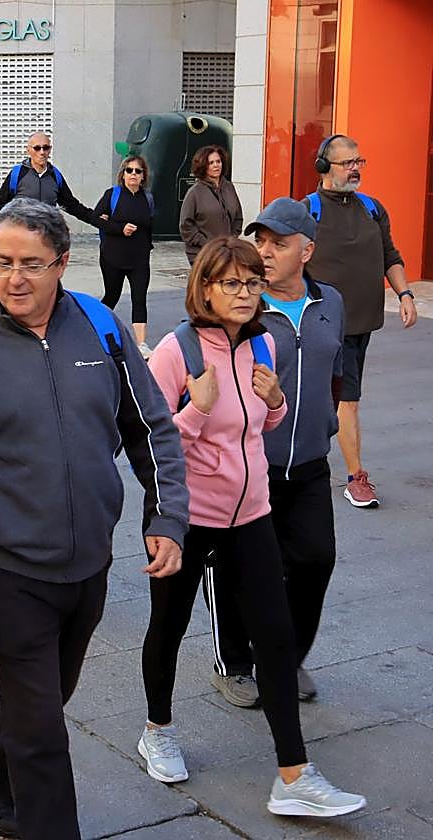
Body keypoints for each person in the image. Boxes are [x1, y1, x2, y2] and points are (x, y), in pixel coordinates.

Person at [0, 198, 189, 839]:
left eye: (31, 265)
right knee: (43, 731)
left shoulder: (102, 328)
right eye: (2, 262)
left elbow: (152, 429)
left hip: (89, 563)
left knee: (43, 697)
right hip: (3, 568)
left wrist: (167, 515)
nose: (14, 278)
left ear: (63, 264)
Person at [140, 236, 364, 819]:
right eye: (232, 283)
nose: (245, 293)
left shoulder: (263, 343)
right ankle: (157, 729)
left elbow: (261, 422)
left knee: (277, 638)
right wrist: (194, 408)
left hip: (251, 512)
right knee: (169, 625)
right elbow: (148, 442)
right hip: (187, 517)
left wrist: (275, 400)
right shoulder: (176, 349)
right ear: (205, 287)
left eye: (253, 283)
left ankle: (293, 775)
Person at [203, 199, 344, 710]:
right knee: (235, 568)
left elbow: (336, 372)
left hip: (308, 464)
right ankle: (234, 664)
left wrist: (331, 426)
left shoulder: (331, 302)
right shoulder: (242, 307)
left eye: (277, 244)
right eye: (259, 240)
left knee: (314, 559)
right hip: (247, 465)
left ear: (306, 251)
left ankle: (285, 656)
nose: (263, 252)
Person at [302, 134, 417, 508]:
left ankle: (300, 455)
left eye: (358, 161)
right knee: (347, 399)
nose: (355, 168)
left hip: (362, 324)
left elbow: (390, 255)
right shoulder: (309, 210)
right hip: (323, 324)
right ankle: (355, 477)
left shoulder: (372, 208)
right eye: (346, 162)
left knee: (329, 397)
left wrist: (405, 294)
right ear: (324, 168)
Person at [96, 154, 155, 357]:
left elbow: (150, 225)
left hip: (139, 258)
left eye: (138, 171)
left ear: (143, 176)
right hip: (113, 256)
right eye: (129, 170)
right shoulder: (112, 195)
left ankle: (141, 344)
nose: (133, 174)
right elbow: (96, 219)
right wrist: (119, 228)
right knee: (112, 295)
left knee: (140, 298)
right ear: (123, 174)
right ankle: (93, 324)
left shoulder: (147, 198)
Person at [0, 133, 100, 230]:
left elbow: (71, 205)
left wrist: (96, 218)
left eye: (45, 148)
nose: (42, 152)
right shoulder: (17, 174)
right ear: (28, 150)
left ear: (50, 149)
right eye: (37, 148)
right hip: (22, 237)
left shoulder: (55, 175)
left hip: (47, 237)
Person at [179, 145, 243, 265]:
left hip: (226, 252)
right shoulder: (194, 192)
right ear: (203, 166)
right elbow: (186, 226)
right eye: (211, 163)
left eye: (218, 161)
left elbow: (238, 217)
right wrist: (206, 243)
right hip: (202, 254)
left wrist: (232, 239)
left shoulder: (229, 187)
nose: (216, 165)